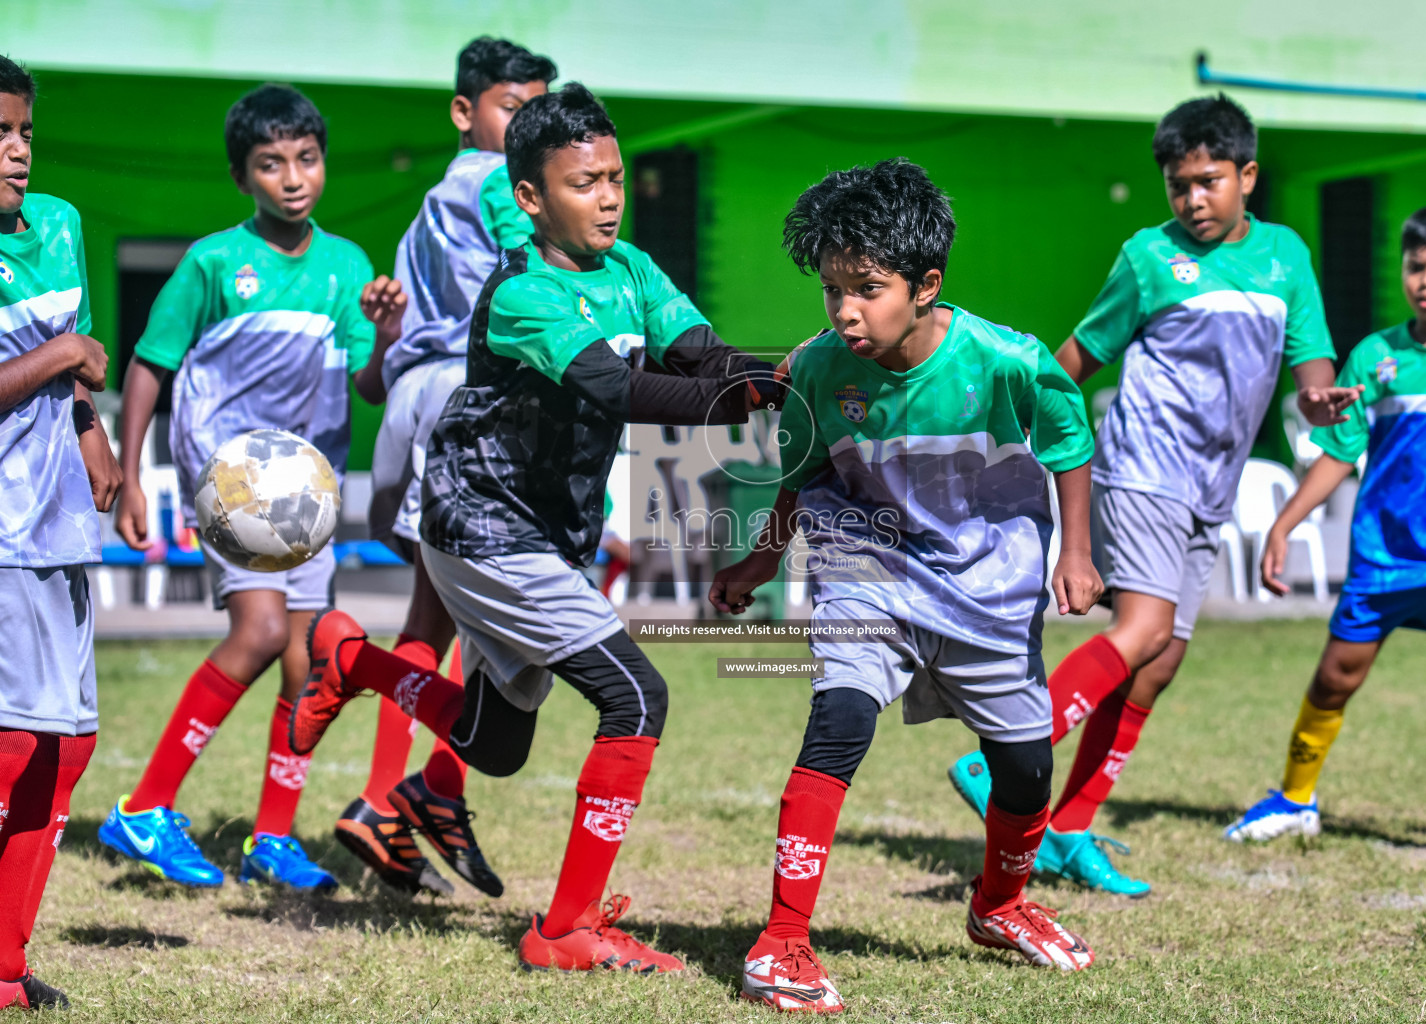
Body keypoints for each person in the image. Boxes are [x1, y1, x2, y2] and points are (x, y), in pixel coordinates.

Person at [289, 83, 785, 972]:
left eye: (616, 178)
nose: (608, 197)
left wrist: (782, 372)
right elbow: (622, 390)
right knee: (637, 698)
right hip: (481, 525)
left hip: (544, 536)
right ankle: (565, 931)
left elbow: (701, 356)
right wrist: (746, 399)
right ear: (530, 198)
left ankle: (352, 658)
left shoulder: (630, 269)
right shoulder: (522, 293)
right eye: (584, 183)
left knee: (495, 745)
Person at [710, 158, 1103, 1013]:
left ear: (927, 285)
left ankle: (998, 906)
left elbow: (1069, 442)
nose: (846, 310)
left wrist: (1078, 550)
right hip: (869, 565)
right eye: (830, 290)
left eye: (868, 288)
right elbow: (802, 473)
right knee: (839, 718)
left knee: (1027, 772)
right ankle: (781, 941)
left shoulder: (1007, 361)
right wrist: (761, 557)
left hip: (988, 580)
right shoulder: (817, 369)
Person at [946, 94, 1360, 896]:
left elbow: (1312, 376)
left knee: (1157, 664)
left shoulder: (1287, 258)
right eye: (1179, 186)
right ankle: (996, 758)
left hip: (1213, 484)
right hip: (1141, 466)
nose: (1193, 199)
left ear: (1247, 176)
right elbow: (1076, 353)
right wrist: (1004, 434)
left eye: (1208, 181)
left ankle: (1066, 829)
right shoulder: (1147, 257)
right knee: (1144, 630)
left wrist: (1320, 403)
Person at [97, 83, 401, 891]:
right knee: (263, 633)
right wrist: (130, 475)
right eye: (271, 164)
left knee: (306, 663)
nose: (293, 177)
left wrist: (392, 330)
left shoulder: (347, 267)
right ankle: (146, 806)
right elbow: (148, 366)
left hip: (309, 493)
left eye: (306, 159)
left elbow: (369, 387)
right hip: (233, 484)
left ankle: (271, 837)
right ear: (243, 178)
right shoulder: (213, 261)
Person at [1226, 205, 1426, 841]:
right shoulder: (1374, 356)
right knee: (1337, 675)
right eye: (1417, 266)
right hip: (1387, 547)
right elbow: (1341, 450)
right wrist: (1285, 525)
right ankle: (1294, 799)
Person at [337, 35, 557, 900]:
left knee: (443, 615)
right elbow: (530, 277)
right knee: (501, 616)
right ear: (466, 112)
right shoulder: (502, 184)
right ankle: (403, 793)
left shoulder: (427, 205)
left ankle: (420, 791)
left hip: (418, 403)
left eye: (538, 107)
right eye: (513, 107)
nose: (528, 124)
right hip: (468, 404)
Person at [0, 53, 122, 1009]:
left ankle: (6, 965)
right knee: (17, 744)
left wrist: (93, 432)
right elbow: (63, 357)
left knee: (69, 743)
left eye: (23, 132)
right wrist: (62, 357)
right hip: (2, 529)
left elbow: (75, 374)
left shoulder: (60, 224)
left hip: (59, 522)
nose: (15, 152)